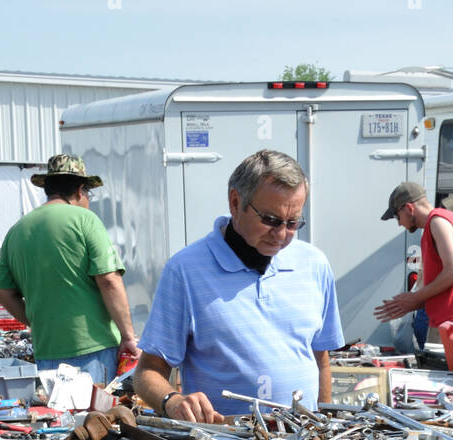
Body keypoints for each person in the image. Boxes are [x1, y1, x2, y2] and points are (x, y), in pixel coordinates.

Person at [133, 150, 343, 422]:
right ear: (235, 202)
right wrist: (172, 401)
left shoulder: (314, 264)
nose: (280, 235)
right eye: (270, 220)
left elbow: (320, 359)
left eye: (292, 223)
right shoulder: (186, 271)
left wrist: (326, 431)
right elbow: (148, 371)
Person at [0, 154, 138, 386]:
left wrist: (35, 321)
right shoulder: (85, 220)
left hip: (46, 350)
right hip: (93, 347)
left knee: (60, 419)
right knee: (93, 419)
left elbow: (1, 291)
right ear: (80, 190)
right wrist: (128, 336)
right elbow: (109, 280)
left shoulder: (18, 229)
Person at [374, 182, 453, 338]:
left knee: (445, 363)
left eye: (397, 216)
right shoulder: (443, 221)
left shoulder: (438, 222)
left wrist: (415, 297)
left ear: (409, 208)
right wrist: (413, 303)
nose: (399, 223)